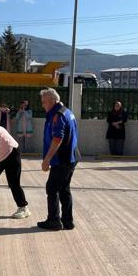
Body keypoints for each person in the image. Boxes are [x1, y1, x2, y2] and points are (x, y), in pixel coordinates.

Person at [38, 88, 79, 231]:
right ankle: (68, 221)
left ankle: (53, 220)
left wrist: (47, 159)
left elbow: (57, 138)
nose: (42, 105)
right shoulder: (67, 111)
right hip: (71, 156)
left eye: (44, 102)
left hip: (62, 158)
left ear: (53, 101)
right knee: (64, 188)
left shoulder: (58, 115)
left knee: (52, 188)